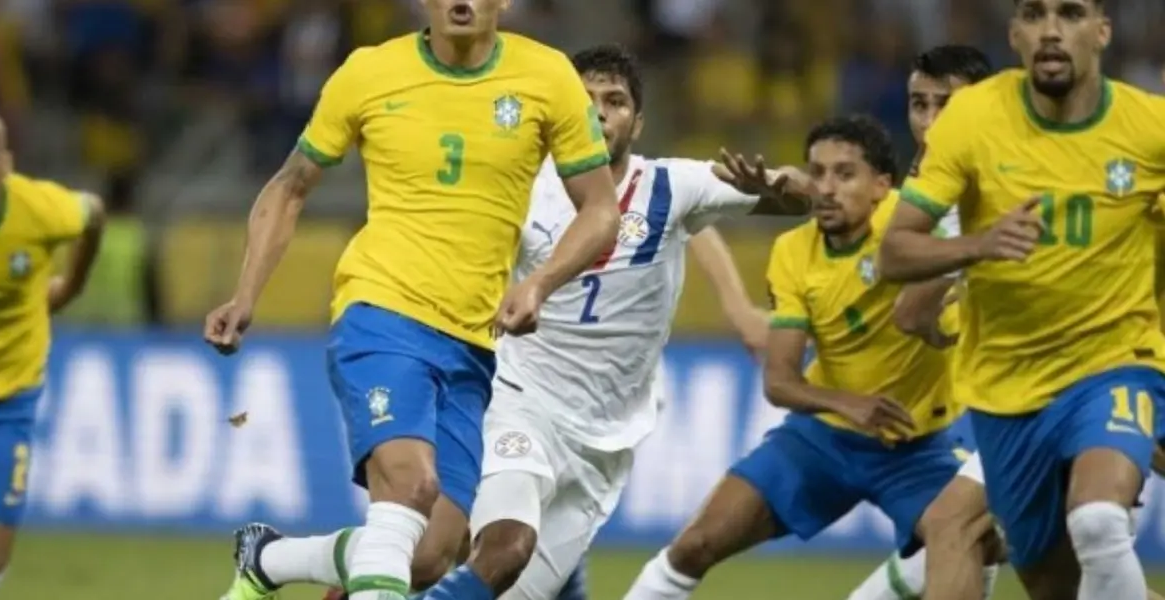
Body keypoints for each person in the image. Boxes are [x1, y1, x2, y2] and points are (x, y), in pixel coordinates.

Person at [204, 1, 626, 598]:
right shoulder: (369, 72)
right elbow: (290, 186)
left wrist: (538, 284)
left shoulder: (547, 76)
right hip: (382, 313)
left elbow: (601, 209)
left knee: (429, 554)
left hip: (473, 342)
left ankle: (269, 559)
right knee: (411, 486)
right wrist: (246, 293)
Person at [416, 43, 804, 600]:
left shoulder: (670, 186)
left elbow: (797, 197)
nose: (598, 112)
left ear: (637, 122)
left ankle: (348, 574)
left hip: (604, 439)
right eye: (585, 100)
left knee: (504, 585)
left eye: (615, 101)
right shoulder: (525, 187)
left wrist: (780, 183)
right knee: (496, 549)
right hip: (522, 401)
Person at [620, 114, 996, 600]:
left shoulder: (908, 228)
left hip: (918, 444)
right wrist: (849, 404)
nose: (827, 188)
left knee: (977, 542)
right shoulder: (793, 253)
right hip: (824, 439)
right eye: (818, 173)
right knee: (694, 546)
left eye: (845, 174)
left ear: (882, 186)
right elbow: (779, 382)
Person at [880, 1, 1165, 598]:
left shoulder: (1149, 127)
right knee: (1055, 584)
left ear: (1102, 32)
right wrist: (979, 245)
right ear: (1014, 34)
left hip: (1114, 364)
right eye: (1034, 14)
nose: (1052, 30)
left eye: (1071, 13)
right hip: (1006, 393)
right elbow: (895, 254)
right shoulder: (972, 120)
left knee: (1098, 520)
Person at [851, 45, 1006, 600]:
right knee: (1063, 574)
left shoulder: (985, 183)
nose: (931, 121)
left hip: (1064, 387)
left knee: (951, 527)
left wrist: (933, 312)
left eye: (948, 104)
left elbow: (910, 309)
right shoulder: (946, 183)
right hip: (1025, 396)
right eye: (920, 104)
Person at [0, 104, 105, 595]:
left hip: (5, 403)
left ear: (6, 163)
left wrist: (70, 286)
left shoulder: (40, 210)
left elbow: (94, 214)